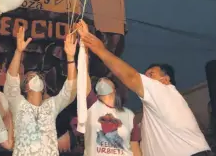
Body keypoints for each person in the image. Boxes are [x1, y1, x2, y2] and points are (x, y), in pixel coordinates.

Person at [77, 20, 211, 156]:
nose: (146, 79)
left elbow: (132, 77)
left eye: (151, 75)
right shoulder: (146, 118)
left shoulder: (164, 91)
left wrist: (100, 49)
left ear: (165, 80)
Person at [4, 26, 77, 156]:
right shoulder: (19, 104)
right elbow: (11, 81)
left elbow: (70, 89)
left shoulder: (51, 105)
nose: (36, 78)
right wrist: (18, 51)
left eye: (38, 77)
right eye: (31, 77)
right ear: (25, 87)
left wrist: (70, 57)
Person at [83, 76, 141, 156]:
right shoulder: (92, 106)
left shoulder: (129, 114)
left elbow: (135, 147)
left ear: (115, 90)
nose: (102, 79)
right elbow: (84, 79)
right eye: (99, 80)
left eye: (107, 79)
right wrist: (84, 63)